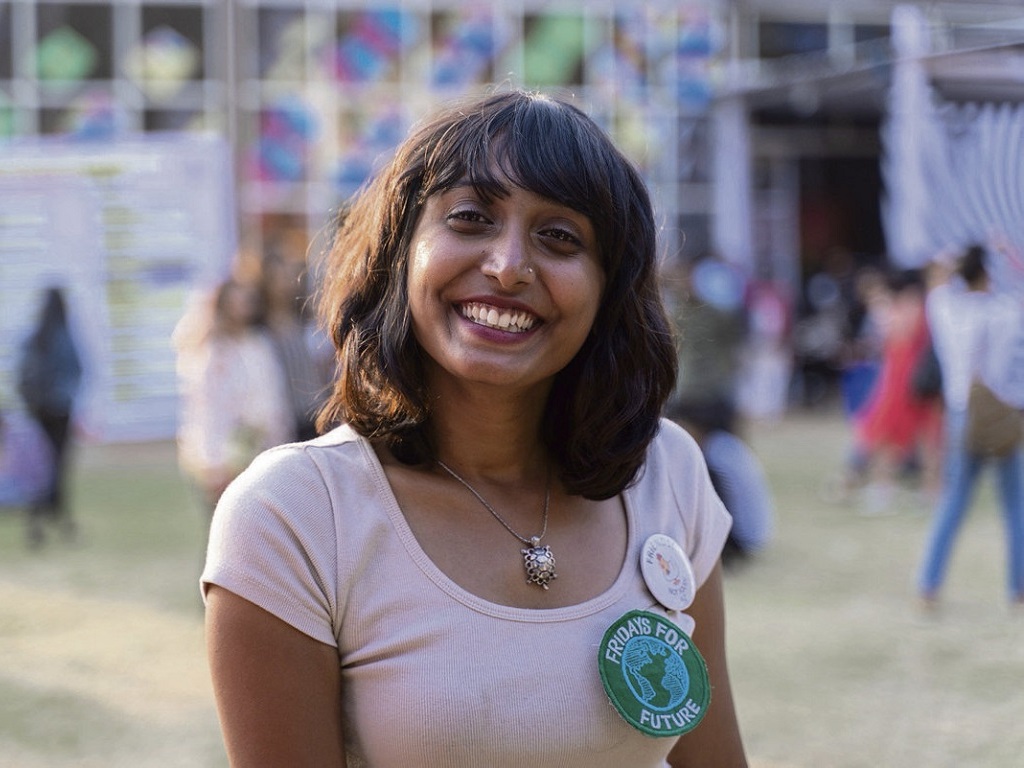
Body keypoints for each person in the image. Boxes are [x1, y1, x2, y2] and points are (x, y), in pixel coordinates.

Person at [202, 89, 747, 767]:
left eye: (559, 237)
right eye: (469, 218)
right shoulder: (294, 516)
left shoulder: (668, 471)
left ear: (610, 287)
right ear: (400, 251)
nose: (509, 265)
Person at [917, 244, 1024, 610]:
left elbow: (935, 281)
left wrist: (955, 256)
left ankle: (928, 587)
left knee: (953, 502)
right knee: (1015, 506)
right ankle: (1018, 590)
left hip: (960, 413)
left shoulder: (948, 309)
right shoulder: (1001, 312)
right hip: (1000, 413)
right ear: (987, 273)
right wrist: (1008, 252)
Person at [173, 275, 293, 516]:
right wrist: (214, 463)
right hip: (224, 456)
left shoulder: (257, 345)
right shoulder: (213, 353)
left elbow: (273, 398)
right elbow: (207, 410)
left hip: (261, 449)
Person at [16, 286, 83, 547]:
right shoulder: (64, 338)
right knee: (56, 466)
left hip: (38, 411)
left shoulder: (33, 337)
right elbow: (77, 372)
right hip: (59, 411)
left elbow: (21, 375)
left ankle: (39, 517)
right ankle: (58, 516)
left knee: (38, 467)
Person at [259, 247, 333, 441]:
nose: (284, 282)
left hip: (316, 411)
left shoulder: (303, 319)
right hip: (285, 419)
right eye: (276, 277)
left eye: (286, 274)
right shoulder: (261, 328)